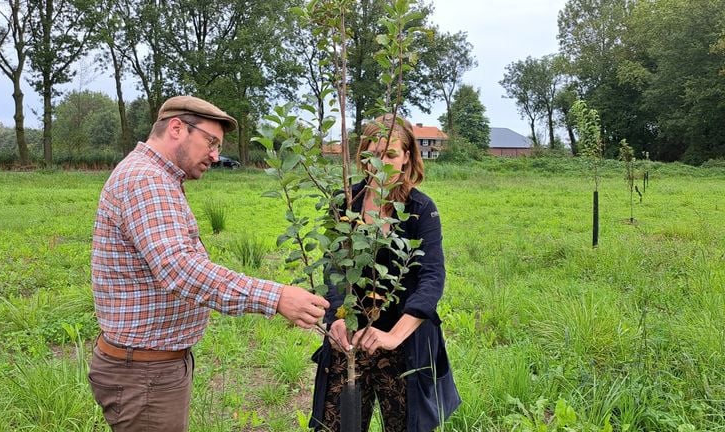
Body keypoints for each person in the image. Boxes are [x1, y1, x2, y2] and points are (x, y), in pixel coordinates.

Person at [88, 95, 330, 432]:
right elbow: (179, 269)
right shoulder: (147, 180)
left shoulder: (158, 178)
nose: (216, 155)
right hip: (144, 374)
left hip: (152, 367)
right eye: (211, 142)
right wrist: (276, 297)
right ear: (176, 128)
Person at [309, 114, 461, 431]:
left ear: (407, 158)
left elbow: (432, 279)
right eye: (373, 154)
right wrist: (337, 319)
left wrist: (393, 336)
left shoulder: (421, 209)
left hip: (404, 342)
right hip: (350, 341)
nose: (380, 164)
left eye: (390, 155)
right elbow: (333, 270)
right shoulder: (344, 203)